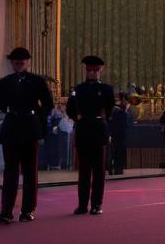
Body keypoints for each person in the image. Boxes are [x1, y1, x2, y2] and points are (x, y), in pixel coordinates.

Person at [0, 47, 54, 225]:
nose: (18, 65)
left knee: (29, 172)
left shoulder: (37, 81)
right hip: (12, 125)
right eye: (15, 62)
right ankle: (6, 211)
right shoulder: (5, 82)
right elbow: (0, 102)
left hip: (30, 125)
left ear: (28, 62)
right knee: (10, 172)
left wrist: (39, 122)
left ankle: (28, 210)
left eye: (21, 62)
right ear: (12, 63)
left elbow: (48, 104)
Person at [66, 55, 114, 215]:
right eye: (89, 70)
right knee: (84, 171)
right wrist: (76, 117)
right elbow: (70, 109)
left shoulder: (106, 89)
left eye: (95, 70)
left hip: (98, 129)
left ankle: (96, 204)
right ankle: (82, 204)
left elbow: (110, 109)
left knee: (99, 171)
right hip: (84, 129)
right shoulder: (78, 89)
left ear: (101, 70)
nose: (92, 73)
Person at [108, 93, 132, 176]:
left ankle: (112, 168)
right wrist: (125, 111)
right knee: (118, 152)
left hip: (114, 134)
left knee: (113, 152)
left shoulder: (113, 109)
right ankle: (117, 169)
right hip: (119, 134)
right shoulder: (119, 110)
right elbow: (124, 122)